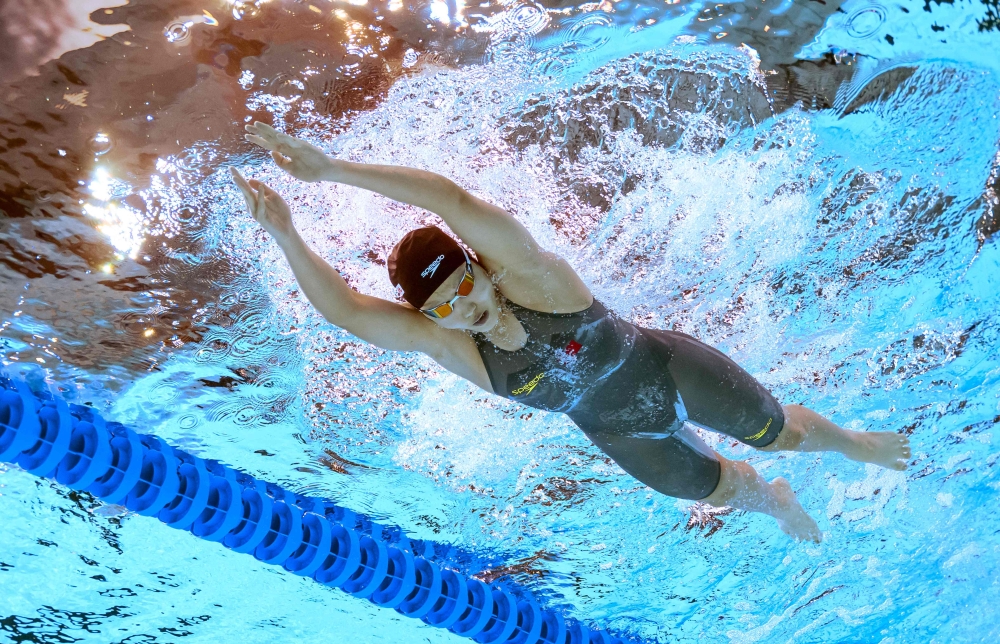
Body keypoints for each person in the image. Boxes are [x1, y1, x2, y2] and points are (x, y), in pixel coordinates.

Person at [230, 122, 911, 543]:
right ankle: (774, 503)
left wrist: (332, 171)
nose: (463, 306)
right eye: (443, 305)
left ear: (479, 267)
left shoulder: (534, 281)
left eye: (464, 282)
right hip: (618, 433)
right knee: (723, 490)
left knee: (778, 434)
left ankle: (854, 445)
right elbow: (346, 313)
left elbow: (451, 199)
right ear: (431, 318)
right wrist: (287, 233)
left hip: (666, 369)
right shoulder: (458, 349)